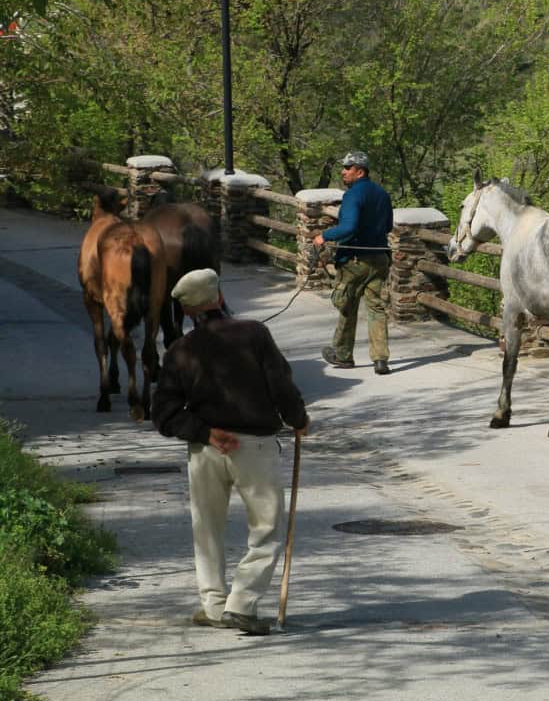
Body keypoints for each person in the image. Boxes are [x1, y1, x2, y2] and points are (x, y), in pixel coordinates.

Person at [152, 268, 309, 635]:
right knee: (266, 529)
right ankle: (242, 604)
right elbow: (281, 385)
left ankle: (214, 605)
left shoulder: (179, 351)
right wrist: (298, 419)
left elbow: (163, 413)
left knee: (206, 528)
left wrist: (204, 432)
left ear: (188, 311)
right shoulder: (254, 334)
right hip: (254, 447)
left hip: (206, 449)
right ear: (219, 297)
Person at [313, 150, 394, 375]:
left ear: (360, 172)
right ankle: (380, 359)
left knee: (347, 305)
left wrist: (324, 236)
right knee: (376, 307)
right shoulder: (382, 194)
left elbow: (348, 227)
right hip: (379, 258)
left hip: (355, 260)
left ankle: (343, 355)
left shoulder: (352, 196)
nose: (343, 171)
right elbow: (387, 227)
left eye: (347, 168)